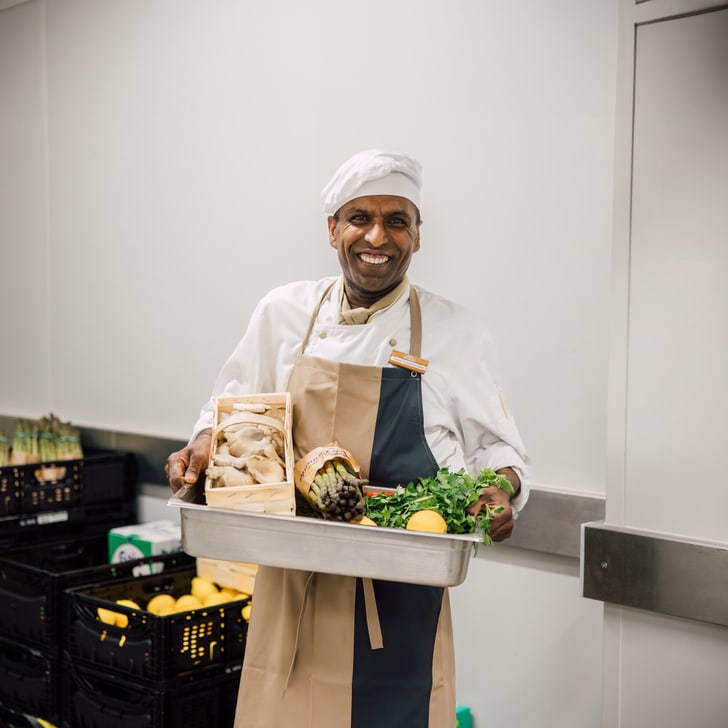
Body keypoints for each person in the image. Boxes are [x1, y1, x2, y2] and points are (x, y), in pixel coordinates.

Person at [166, 149, 529, 728]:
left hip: (401, 598)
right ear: (332, 229)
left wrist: (501, 491)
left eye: (397, 220)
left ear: (417, 236)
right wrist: (203, 445)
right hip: (291, 585)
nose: (377, 236)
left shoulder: (458, 332)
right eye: (359, 217)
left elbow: (498, 452)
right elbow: (229, 412)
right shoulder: (282, 313)